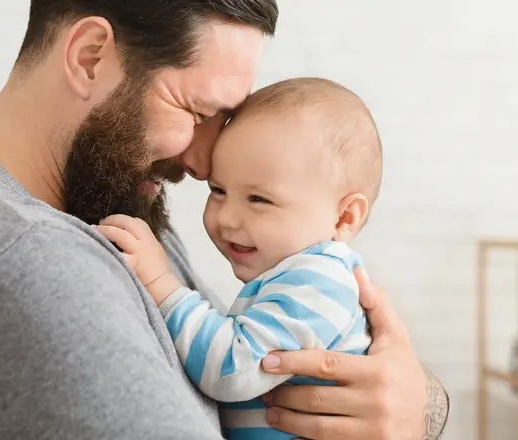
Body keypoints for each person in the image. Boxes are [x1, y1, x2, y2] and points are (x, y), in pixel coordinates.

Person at [0, 2, 449, 439]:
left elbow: (237, 359)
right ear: (90, 56)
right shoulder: (24, 256)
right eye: (198, 112)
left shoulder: (112, 207)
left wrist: (411, 401)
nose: (204, 164)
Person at [96, 77, 381, 440]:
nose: (227, 217)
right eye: (218, 190)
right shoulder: (293, 277)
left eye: (258, 199)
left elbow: (233, 368)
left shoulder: (320, 280)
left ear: (344, 218)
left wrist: (162, 285)